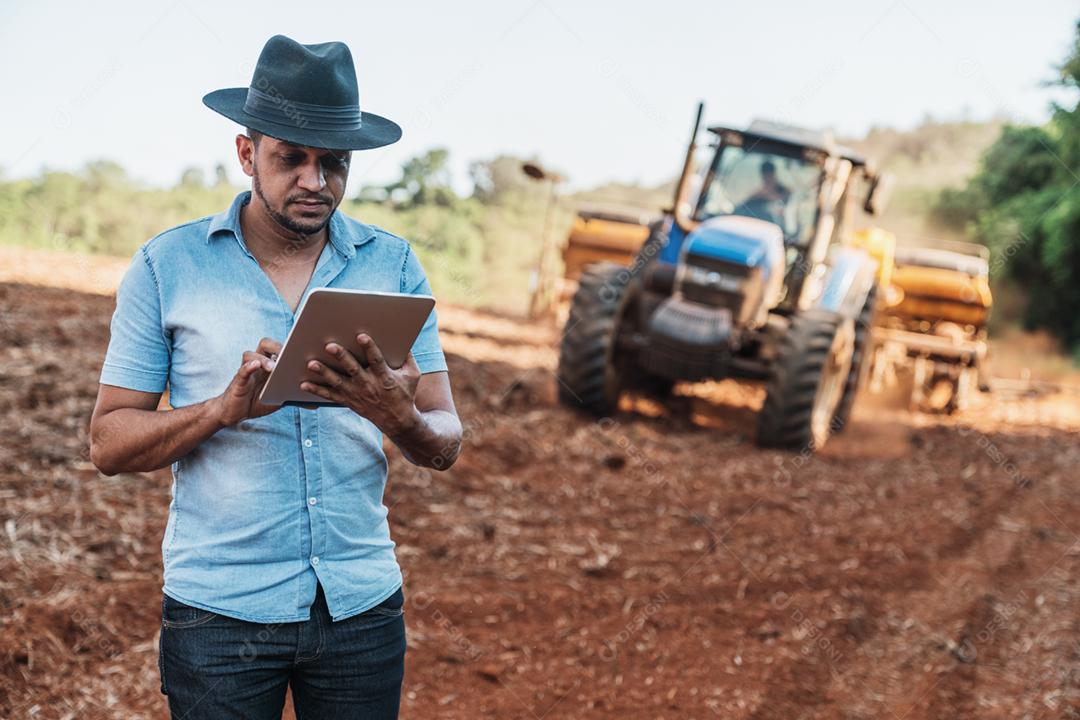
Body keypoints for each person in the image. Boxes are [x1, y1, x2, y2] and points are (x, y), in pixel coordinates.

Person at [89, 35, 462, 720]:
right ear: (246, 153)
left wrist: (395, 414)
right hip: (219, 618)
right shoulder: (166, 267)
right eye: (291, 158)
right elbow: (108, 444)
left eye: (334, 164)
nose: (315, 182)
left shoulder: (394, 265)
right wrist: (218, 412)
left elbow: (443, 440)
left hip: (361, 607)